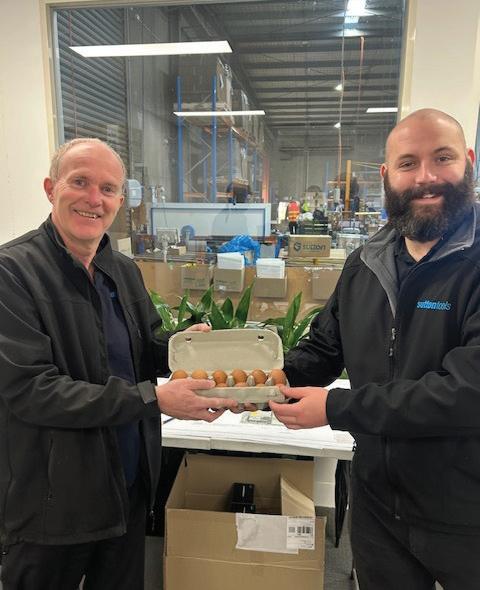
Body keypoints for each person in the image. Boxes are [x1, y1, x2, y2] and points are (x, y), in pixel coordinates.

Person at [0, 138, 239, 590]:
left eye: (108, 188)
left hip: (126, 490)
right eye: (80, 182)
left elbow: (142, 348)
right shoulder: (12, 273)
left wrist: (184, 348)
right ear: (51, 188)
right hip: (53, 504)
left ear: (120, 200)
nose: (94, 199)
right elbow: (32, 391)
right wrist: (154, 399)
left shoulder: (122, 270)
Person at [269, 109, 480, 589]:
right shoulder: (366, 263)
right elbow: (326, 347)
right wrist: (272, 380)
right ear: (386, 175)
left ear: (468, 161)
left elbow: (468, 392)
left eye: (442, 158)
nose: (425, 177)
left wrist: (337, 407)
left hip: (467, 511)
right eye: (408, 163)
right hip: (378, 506)